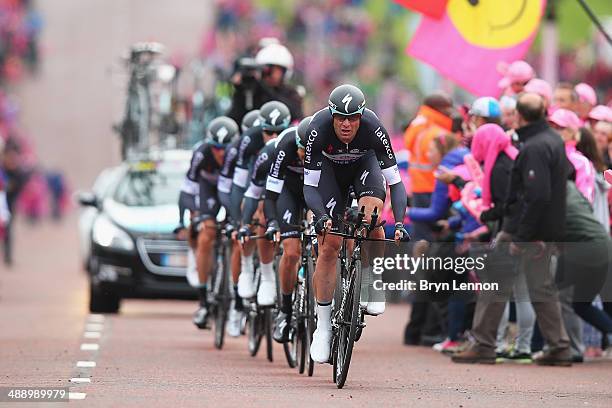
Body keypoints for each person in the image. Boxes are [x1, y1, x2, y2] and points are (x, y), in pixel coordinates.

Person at [453, 92, 572, 366]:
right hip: (545, 229)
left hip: (525, 231)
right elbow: (565, 179)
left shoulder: (534, 147)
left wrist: (521, 236)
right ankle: (559, 346)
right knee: (542, 289)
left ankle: (483, 344)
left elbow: (536, 195)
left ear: (518, 115)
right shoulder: (553, 140)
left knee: (494, 284)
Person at [304, 84, 409, 363]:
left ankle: (370, 279)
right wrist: (322, 217)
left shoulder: (374, 127)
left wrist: (399, 223)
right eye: (341, 118)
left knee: (373, 216)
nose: (347, 124)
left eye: (353, 118)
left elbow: (396, 183)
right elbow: (310, 187)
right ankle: (323, 326)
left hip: (364, 167)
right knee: (330, 245)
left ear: (362, 116)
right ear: (332, 115)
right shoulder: (318, 128)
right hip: (329, 176)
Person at [403, 92, 453, 345]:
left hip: (421, 195)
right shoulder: (435, 133)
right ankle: (428, 329)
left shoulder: (418, 126)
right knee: (431, 267)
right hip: (433, 195)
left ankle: (416, 328)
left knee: (422, 264)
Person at [180, 116, 240, 329]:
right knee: (207, 234)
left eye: (225, 148)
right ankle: (204, 301)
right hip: (208, 189)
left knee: (238, 237)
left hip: (232, 190)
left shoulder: (238, 153)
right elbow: (187, 191)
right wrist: (193, 215)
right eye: (215, 148)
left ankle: (237, 296)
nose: (220, 153)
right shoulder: (201, 153)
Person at [234, 101, 291, 307]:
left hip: (284, 184)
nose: (274, 138)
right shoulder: (250, 140)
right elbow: (240, 185)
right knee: (258, 214)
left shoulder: (294, 141)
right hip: (255, 181)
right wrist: (240, 222)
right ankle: (249, 268)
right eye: (268, 132)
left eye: (279, 132)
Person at [264, 117, 311, 343]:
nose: (303, 155)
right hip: (288, 193)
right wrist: (272, 221)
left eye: (308, 150)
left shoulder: (323, 146)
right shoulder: (284, 145)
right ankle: (284, 310)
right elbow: (271, 192)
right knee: (291, 251)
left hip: (314, 192)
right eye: (301, 150)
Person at [227, 43, 303, 125]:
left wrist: (262, 85)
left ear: (285, 72)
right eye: (266, 70)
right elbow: (234, 119)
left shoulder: (291, 93)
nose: (271, 75)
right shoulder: (252, 92)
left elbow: (294, 114)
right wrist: (239, 90)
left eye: (274, 70)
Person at [549, 109, 595, 203]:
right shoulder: (543, 152)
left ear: (572, 132)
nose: (555, 131)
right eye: (552, 127)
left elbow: (585, 199)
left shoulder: (581, 162)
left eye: (560, 128)